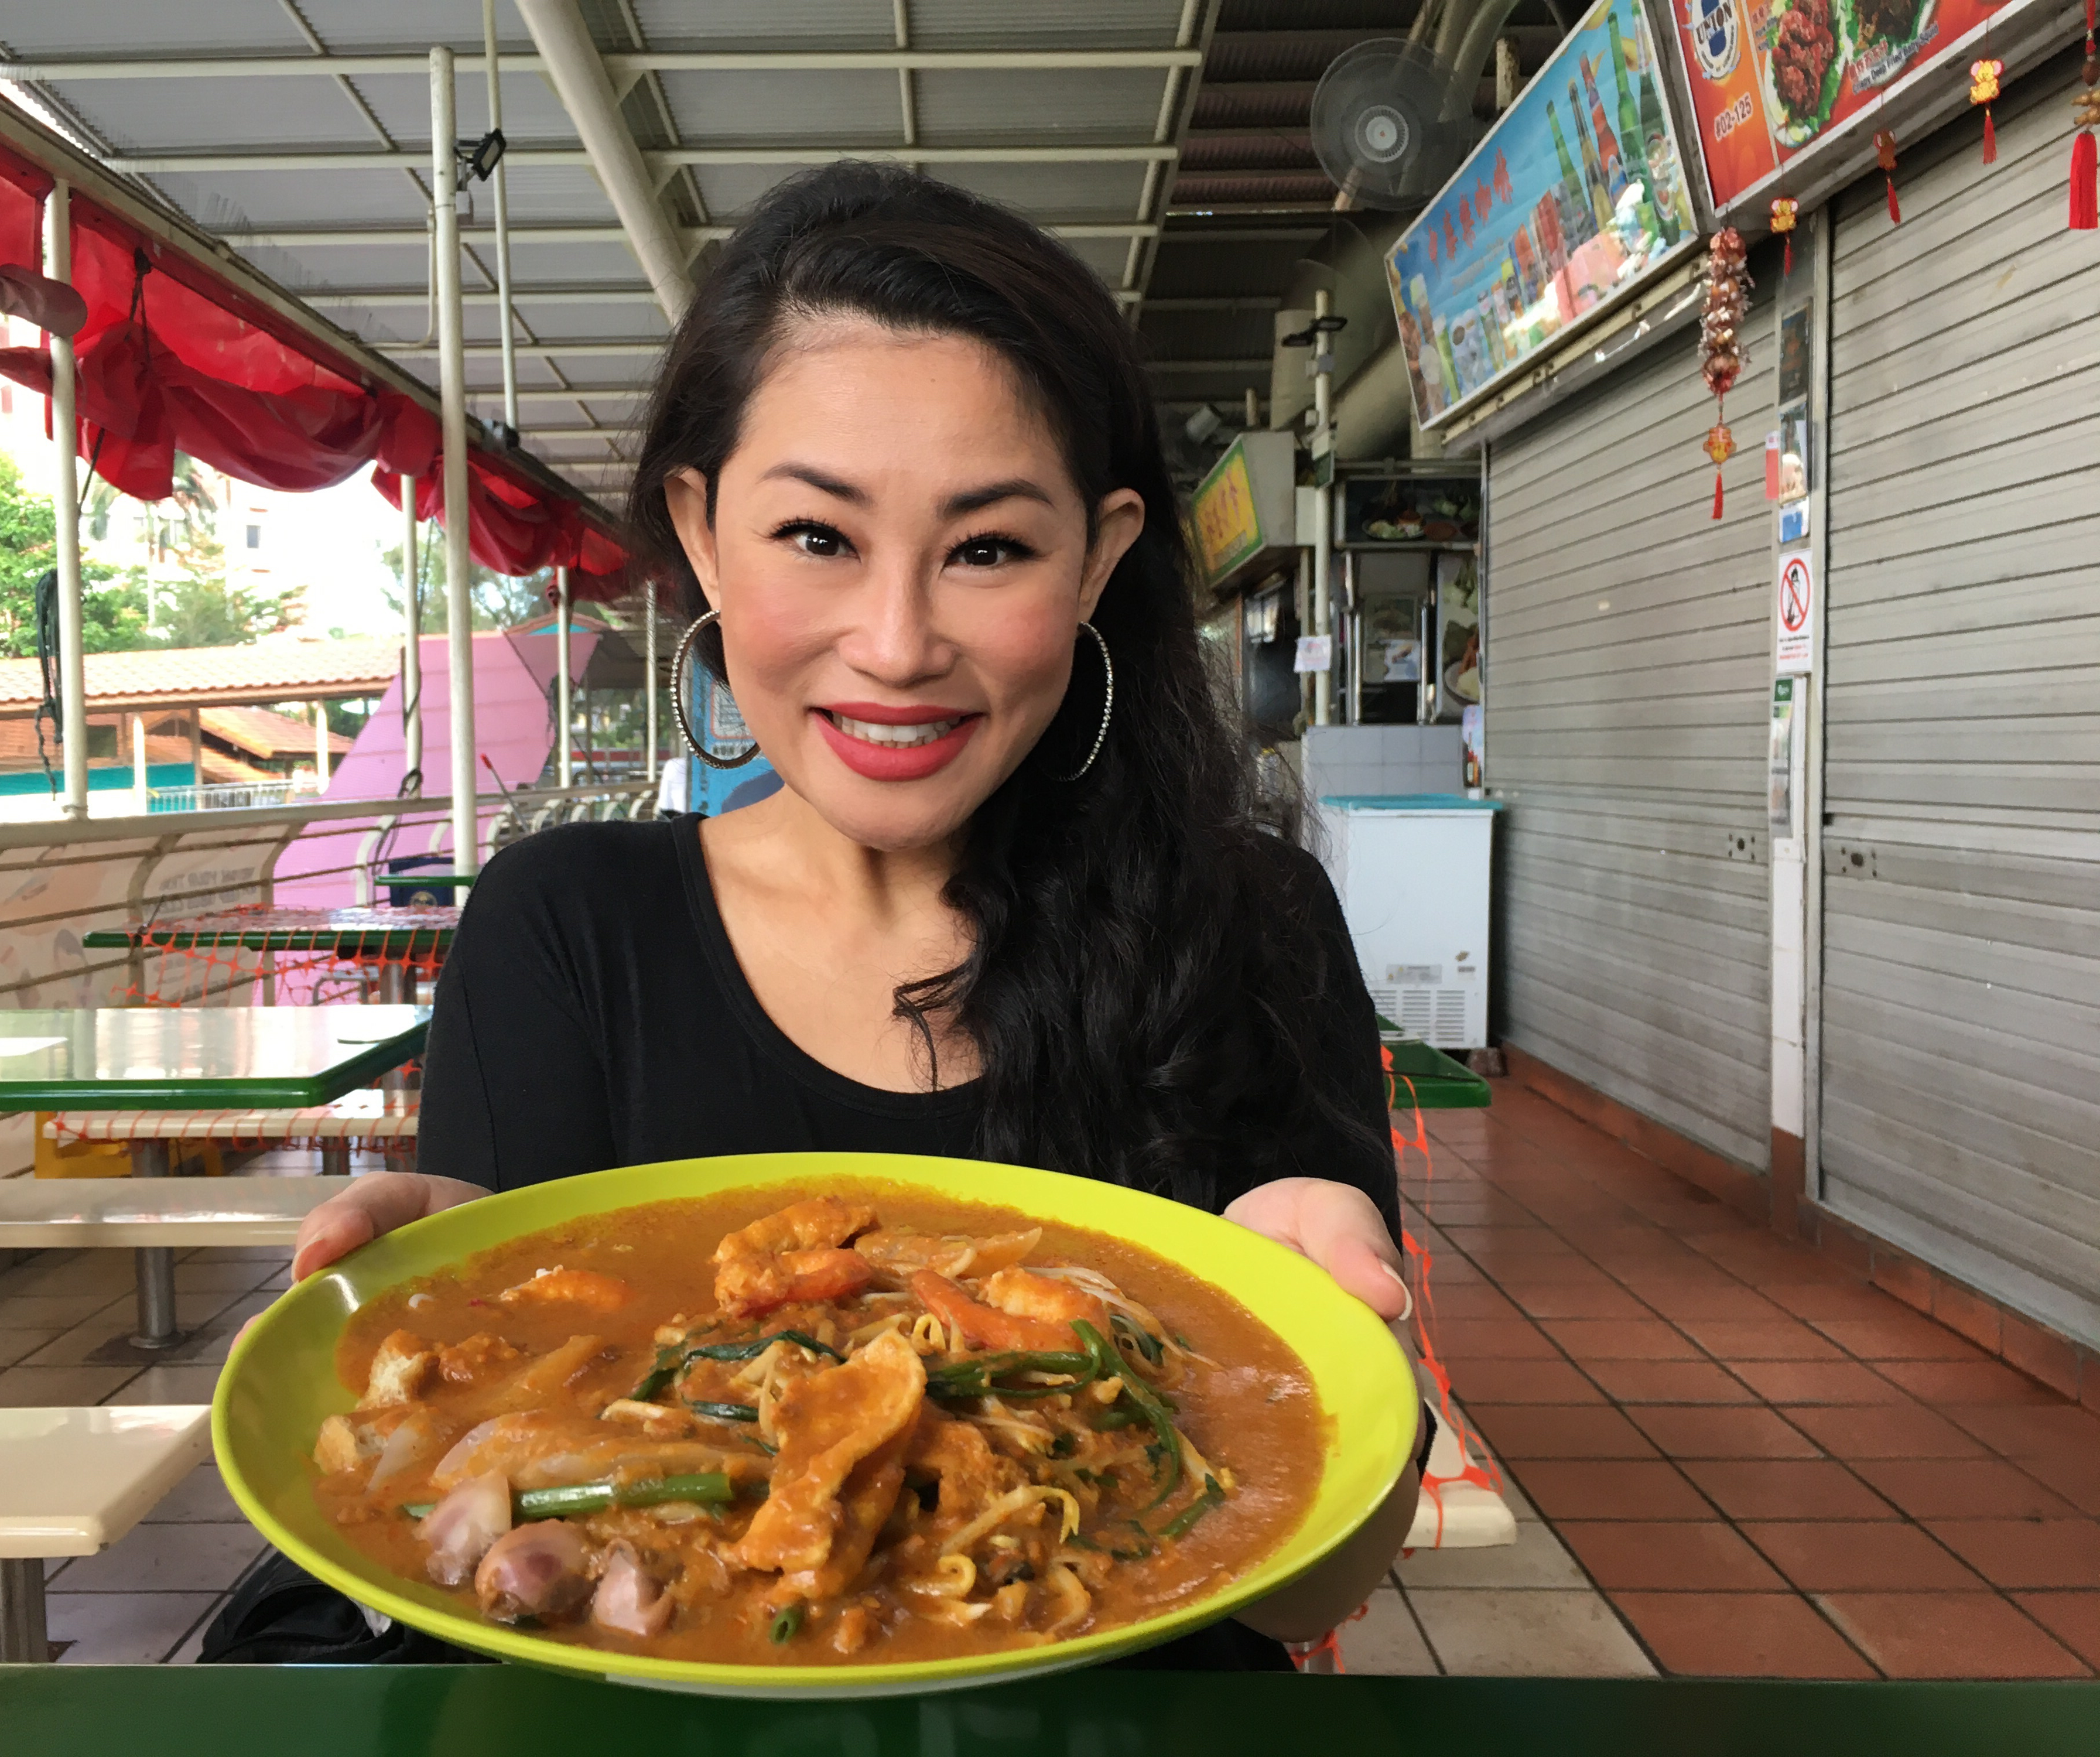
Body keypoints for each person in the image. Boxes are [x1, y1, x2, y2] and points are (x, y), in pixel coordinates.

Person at [269, 163, 1419, 1669]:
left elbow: (1311, 1596)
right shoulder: (563, 929)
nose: (893, 644)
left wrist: (1341, 1381)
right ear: (699, 528)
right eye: (817, 536)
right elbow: (490, 1587)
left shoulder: (1247, 924)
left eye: (988, 547)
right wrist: (453, 1392)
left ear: (1099, 556)